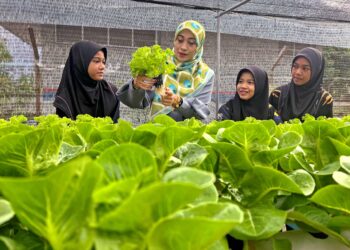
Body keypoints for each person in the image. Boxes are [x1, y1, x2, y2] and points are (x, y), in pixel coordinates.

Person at [117, 20, 214, 122]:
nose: (183, 47)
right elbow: (136, 102)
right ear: (174, 41)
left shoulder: (205, 74)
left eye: (191, 43)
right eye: (180, 40)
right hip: (156, 131)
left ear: (198, 47)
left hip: (188, 135)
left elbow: (200, 114)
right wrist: (136, 86)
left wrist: (179, 102)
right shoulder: (161, 64)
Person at [53, 40, 120, 122]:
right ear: (80, 62)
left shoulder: (111, 93)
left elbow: (114, 128)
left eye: (103, 62)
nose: (102, 66)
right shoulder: (66, 98)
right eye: (96, 61)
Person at [269, 47, 333, 122]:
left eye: (305, 68)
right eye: (295, 66)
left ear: (316, 71)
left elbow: (324, 130)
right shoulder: (278, 94)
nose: (297, 72)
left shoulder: (324, 99)